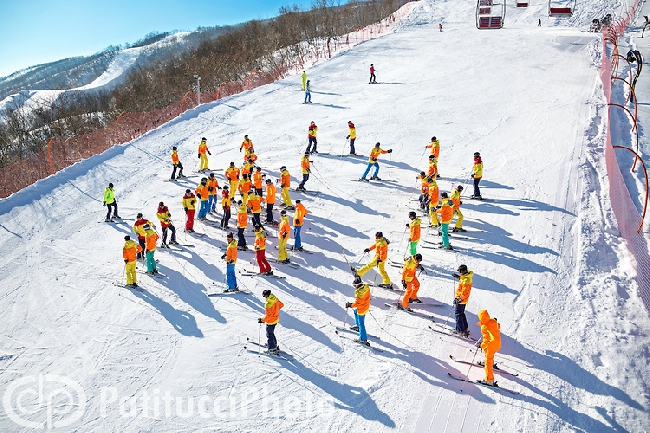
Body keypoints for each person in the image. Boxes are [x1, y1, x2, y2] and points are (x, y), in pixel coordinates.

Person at [475, 309, 501, 386]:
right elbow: (498, 326)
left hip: (491, 345)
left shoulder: (484, 327)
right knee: (489, 353)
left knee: (488, 362)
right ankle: (491, 363)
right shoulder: (493, 321)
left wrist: (480, 345)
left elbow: (486, 341)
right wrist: (494, 321)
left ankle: (489, 380)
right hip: (497, 344)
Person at [345, 280, 371, 346]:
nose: (354, 287)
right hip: (366, 306)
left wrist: (350, 305)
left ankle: (363, 339)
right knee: (355, 311)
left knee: (361, 323)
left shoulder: (359, 294)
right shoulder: (366, 287)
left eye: (354, 285)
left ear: (357, 285)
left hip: (362, 309)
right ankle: (357, 327)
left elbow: (357, 304)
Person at [259, 289, 284, 354]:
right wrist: (275, 311)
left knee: (269, 334)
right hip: (276, 319)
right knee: (271, 333)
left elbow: (268, 316)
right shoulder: (275, 299)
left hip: (271, 321)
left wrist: (262, 320)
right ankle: (273, 344)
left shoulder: (268, 305)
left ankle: (272, 349)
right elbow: (281, 305)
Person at [452, 264, 474, 336]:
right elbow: (463, 279)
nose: (459, 273)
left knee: (458, 314)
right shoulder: (466, 277)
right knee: (461, 313)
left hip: (462, 300)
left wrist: (459, 299)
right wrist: (458, 277)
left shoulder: (466, 281)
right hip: (462, 299)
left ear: (463, 271)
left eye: (460, 272)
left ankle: (460, 330)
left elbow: (465, 293)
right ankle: (464, 328)